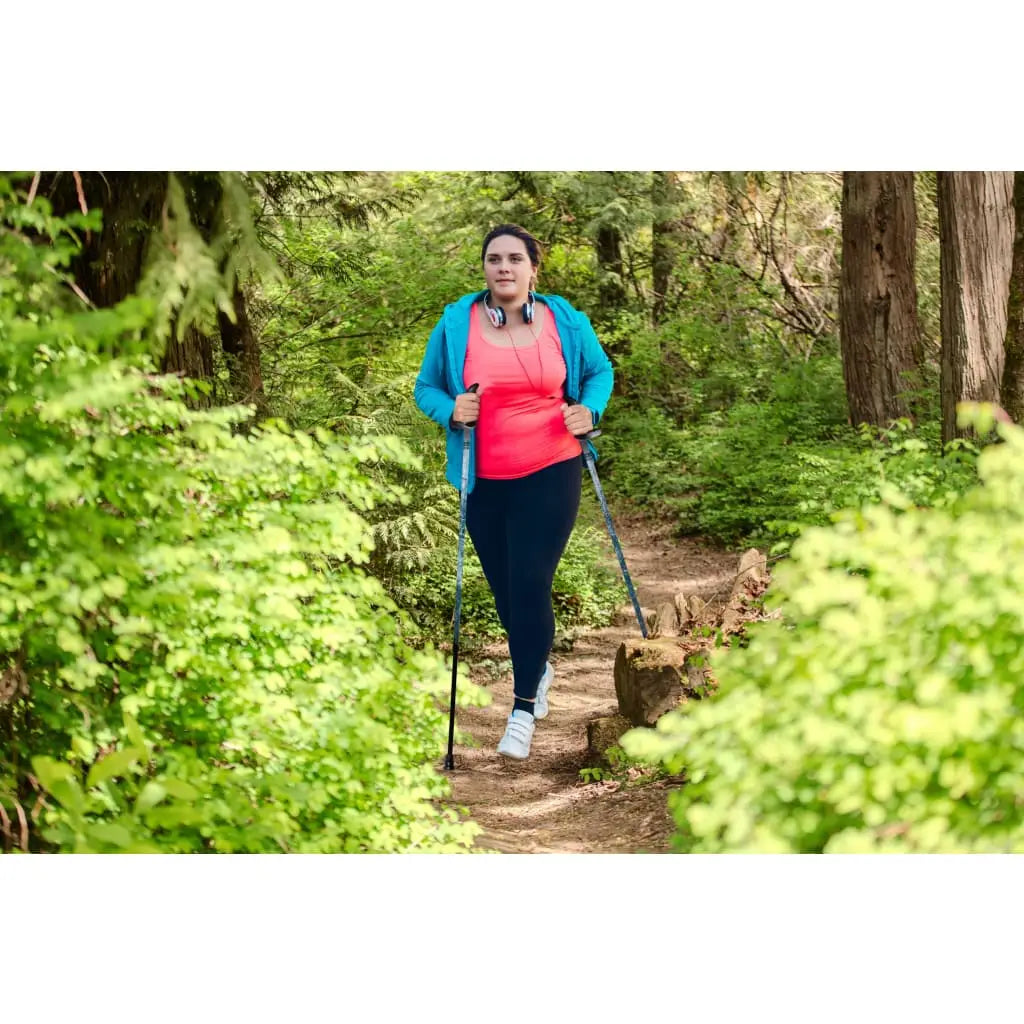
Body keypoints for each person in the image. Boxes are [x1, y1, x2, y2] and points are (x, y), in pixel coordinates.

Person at [414, 224, 614, 760]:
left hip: (551, 467)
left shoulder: (563, 321)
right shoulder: (458, 323)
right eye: (493, 259)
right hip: (482, 478)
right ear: (484, 268)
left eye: (514, 259)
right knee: (506, 592)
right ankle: (538, 663)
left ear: (532, 269)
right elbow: (426, 387)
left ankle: (523, 706)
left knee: (529, 581)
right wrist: (451, 409)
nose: (503, 267)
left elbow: (598, 372)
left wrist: (587, 410)